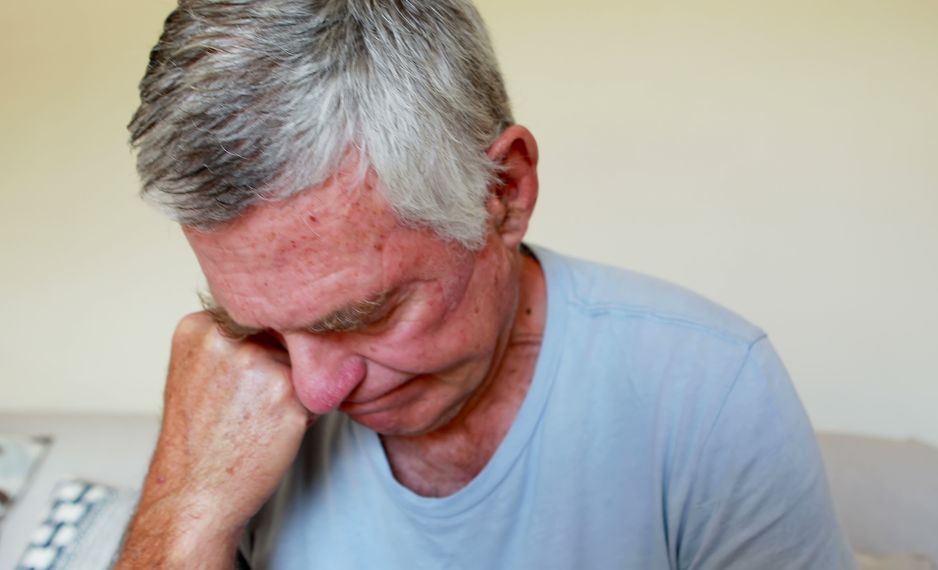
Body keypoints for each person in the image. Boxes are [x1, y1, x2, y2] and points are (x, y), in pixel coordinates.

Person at [117, 1, 855, 568]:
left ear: (501, 190)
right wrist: (184, 509)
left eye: (365, 315)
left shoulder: (711, 389)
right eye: (261, 328)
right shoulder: (225, 412)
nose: (313, 392)